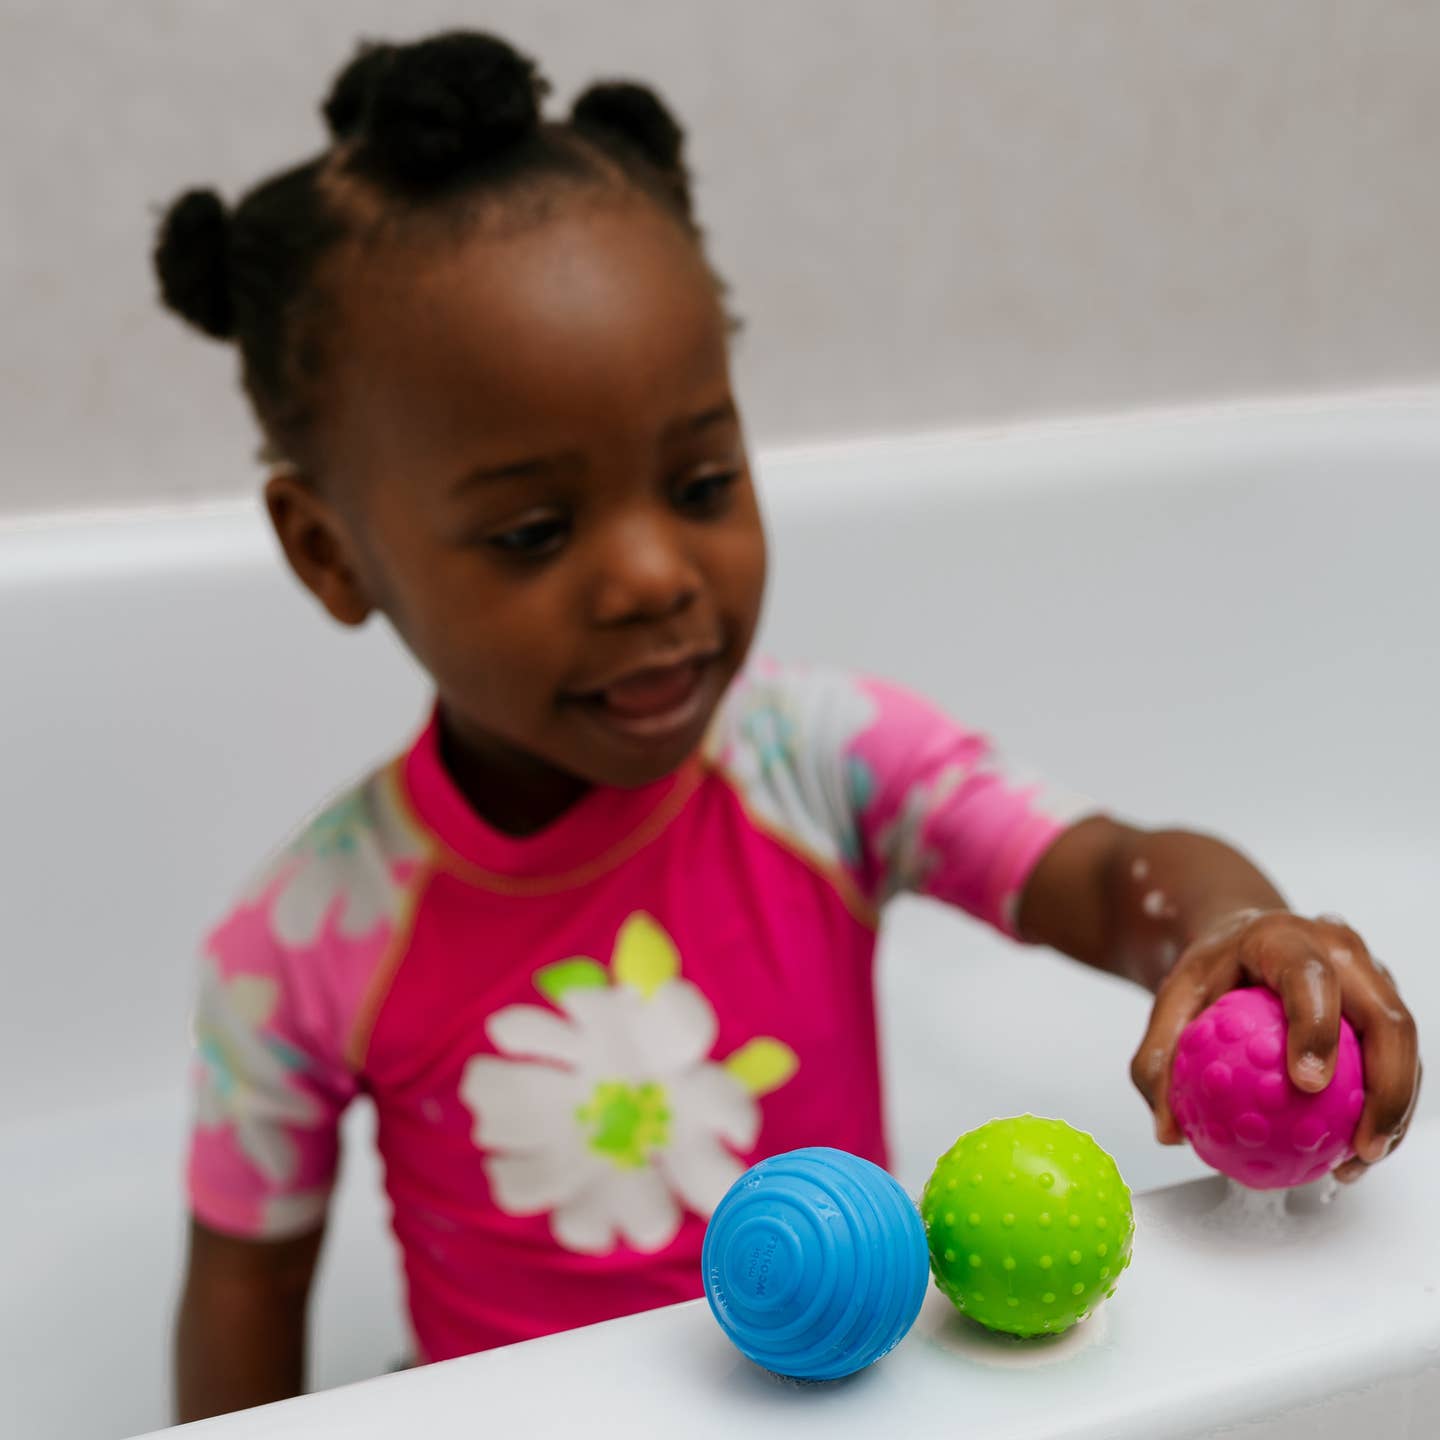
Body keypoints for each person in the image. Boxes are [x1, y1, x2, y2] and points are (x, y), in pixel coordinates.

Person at [153, 30, 1421, 1423]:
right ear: (329, 552)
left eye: (702, 483)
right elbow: (245, 1296)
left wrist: (1231, 928)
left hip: (842, 1396)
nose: (654, 575)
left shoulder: (818, 762)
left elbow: (1107, 874)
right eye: (534, 531)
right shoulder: (305, 939)